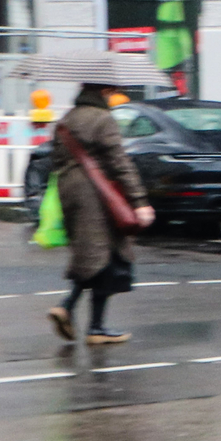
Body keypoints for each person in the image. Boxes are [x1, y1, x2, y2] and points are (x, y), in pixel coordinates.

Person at [48, 78, 155, 347]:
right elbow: (120, 162)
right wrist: (139, 200)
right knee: (105, 256)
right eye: (113, 91)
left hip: (70, 190)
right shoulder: (102, 119)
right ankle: (85, 320)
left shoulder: (67, 119)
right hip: (97, 194)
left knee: (92, 254)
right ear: (105, 91)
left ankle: (77, 314)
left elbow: (55, 159)